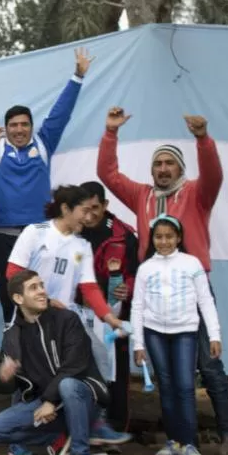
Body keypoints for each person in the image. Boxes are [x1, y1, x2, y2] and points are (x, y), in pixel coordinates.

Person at [97, 106, 228, 455]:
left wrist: (203, 139)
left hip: (194, 288)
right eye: (157, 164)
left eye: (169, 163)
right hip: (156, 294)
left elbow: (214, 174)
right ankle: (178, 437)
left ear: (180, 168)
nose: (162, 169)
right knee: (167, 373)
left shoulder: (196, 193)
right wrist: (111, 133)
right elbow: (108, 174)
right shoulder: (142, 195)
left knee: (208, 365)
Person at [0, 48, 94, 322]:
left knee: (41, 296)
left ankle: (46, 352)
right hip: (5, 237)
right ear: (6, 128)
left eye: (24, 125)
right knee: (9, 297)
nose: (19, 130)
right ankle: (15, 352)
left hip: (40, 237)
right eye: (13, 125)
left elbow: (62, 113)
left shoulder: (45, 143)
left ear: (32, 127)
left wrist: (78, 76)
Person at [5, 185, 132, 455]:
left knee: (98, 357)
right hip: (30, 320)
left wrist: (110, 319)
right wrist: (46, 301)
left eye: (91, 211)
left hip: (64, 323)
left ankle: (94, 423)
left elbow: (89, 287)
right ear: (65, 209)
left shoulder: (82, 245)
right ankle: (17, 439)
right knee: (27, 379)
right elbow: (13, 272)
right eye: (83, 211)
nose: (88, 217)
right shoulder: (35, 233)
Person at [0, 271, 112, 455]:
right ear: (18, 298)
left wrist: (50, 401)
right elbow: (4, 387)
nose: (42, 291)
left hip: (84, 398)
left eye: (41, 285)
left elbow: (75, 365)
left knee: (69, 385)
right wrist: (4, 377)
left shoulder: (67, 319)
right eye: (34, 287)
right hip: (47, 406)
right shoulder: (12, 336)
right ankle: (59, 435)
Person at [131, 216, 222, 455]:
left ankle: (189, 443)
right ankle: (173, 443)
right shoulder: (146, 268)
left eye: (169, 236)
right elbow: (138, 307)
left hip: (185, 332)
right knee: (167, 388)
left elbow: (205, 301)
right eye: (159, 237)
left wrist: (214, 335)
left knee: (184, 386)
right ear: (153, 239)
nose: (164, 241)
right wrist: (138, 344)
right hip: (154, 333)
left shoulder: (191, 263)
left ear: (179, 238)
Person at [79, 180, 140, 431]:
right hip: (78, 315)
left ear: (105, 204)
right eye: (84, 208)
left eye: (95, 207)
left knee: (117, 372)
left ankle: (114, 428)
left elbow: (139, 275)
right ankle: (82, 426)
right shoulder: (69, 231)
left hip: (113, 319)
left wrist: (129, 287)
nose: (90, 214)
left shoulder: (123, 235)